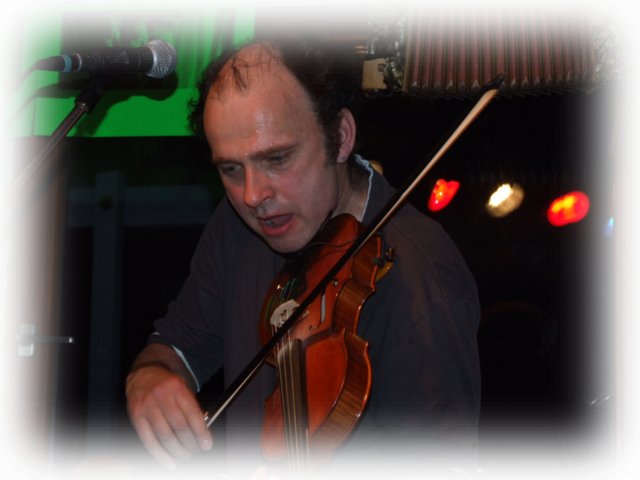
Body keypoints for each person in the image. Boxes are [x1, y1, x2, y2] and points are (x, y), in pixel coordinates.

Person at [125, 37, 481, 476]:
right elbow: (177, 347)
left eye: (277, 158)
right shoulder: (236, 227)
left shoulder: (422, 276)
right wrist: (150, 376)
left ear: (341, 137)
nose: (253, 195)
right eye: (231, 169)